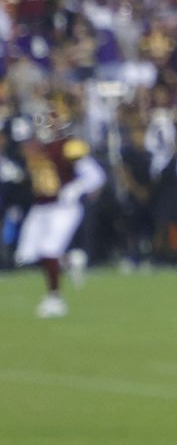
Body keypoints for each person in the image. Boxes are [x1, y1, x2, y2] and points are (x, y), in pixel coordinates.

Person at [17, 105, 105, 318]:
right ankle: (70, 261)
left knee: (49, 250)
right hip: (41, 207)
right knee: (26, 255)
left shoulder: (68, 146)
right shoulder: (34, 146)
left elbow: (96, 176)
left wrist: (75, 189)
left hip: (63, 208)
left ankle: (55, 299)